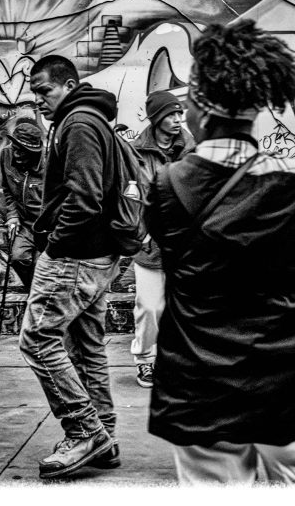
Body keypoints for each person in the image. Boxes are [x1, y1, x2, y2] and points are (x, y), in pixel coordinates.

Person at [145, 20, 295, 485]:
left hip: (200, 377)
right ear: (255, 110)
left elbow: (165, 249)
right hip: (289, 373)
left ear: (200, 106)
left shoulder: (167, 185)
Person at [19, 55, 123, 479]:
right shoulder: (92, 119)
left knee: (37, 339)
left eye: (44, 90)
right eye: (34, 92)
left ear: (68, 85)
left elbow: (85, 197)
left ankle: (84, 431)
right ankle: (105, 438)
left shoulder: (77, 123)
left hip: (74, 256)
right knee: (86, 346)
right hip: (97, 254)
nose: (38, 99)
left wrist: (55, 247)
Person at [129, 90, 195, 388]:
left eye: (180, 113)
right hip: (150, 245)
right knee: (150, 307)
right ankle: (146, 359)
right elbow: (129, 196)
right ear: (156, 118)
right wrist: (140, 233)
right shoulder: (135, 153)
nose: (178, 119)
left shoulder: (192, 150)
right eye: (171, 114)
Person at [0, 120, 44, 289]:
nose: (17, 155)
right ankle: (34, 294)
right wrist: (12, 215)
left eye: (23, 151)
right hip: (26, 225)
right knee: (18, 257)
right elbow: (7, 189)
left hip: (47, 227)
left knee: (41, 268)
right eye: (15, 148)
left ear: (34, 152)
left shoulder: (49, 164)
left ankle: (38, 297)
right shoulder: (6, 154)